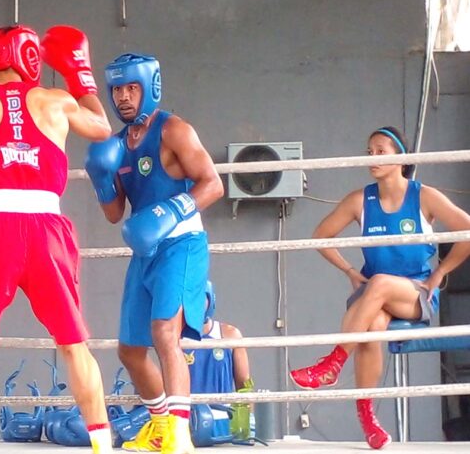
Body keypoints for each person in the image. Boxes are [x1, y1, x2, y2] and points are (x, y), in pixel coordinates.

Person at [0, 25, 114, 454]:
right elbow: (102, 128)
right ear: (30, 59)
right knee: (73, 344)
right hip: (48, 228)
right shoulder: (56, 100)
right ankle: (102, 439)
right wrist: (79, 76)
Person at [289, 126, 470, 449]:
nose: (372, 157)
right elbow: (319, 236)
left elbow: (467, 231)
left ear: (401, 156)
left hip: (414, 293)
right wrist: (348, 270)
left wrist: (440, 272)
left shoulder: (423, 195)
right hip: (372, 295)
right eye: (369, 151)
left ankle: (332, 364)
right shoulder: (360, 199)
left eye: (381, 150)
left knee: (381, 283)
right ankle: (368, 419)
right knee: (372, 323)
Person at [85, 53, 223, 453]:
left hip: (182, 243)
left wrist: (171, 209)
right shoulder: (116, 145)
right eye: (117, 89)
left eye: (132, 87)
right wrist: (102, 180)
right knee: (129, 349)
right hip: (145, 250)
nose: (124, 97)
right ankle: (161, 424)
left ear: (150, 86)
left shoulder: (174, 130)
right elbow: (114, 215)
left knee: (165, 333)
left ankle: (180, 438)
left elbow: (213, 184)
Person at [183, 281, 254, 443]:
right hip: (186, 421)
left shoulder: (229, 334)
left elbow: (244, 384)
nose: (196, 303)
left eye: (201, 298)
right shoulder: (173, 337)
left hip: (223, 422)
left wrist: (248, 422)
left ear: (210, 299)